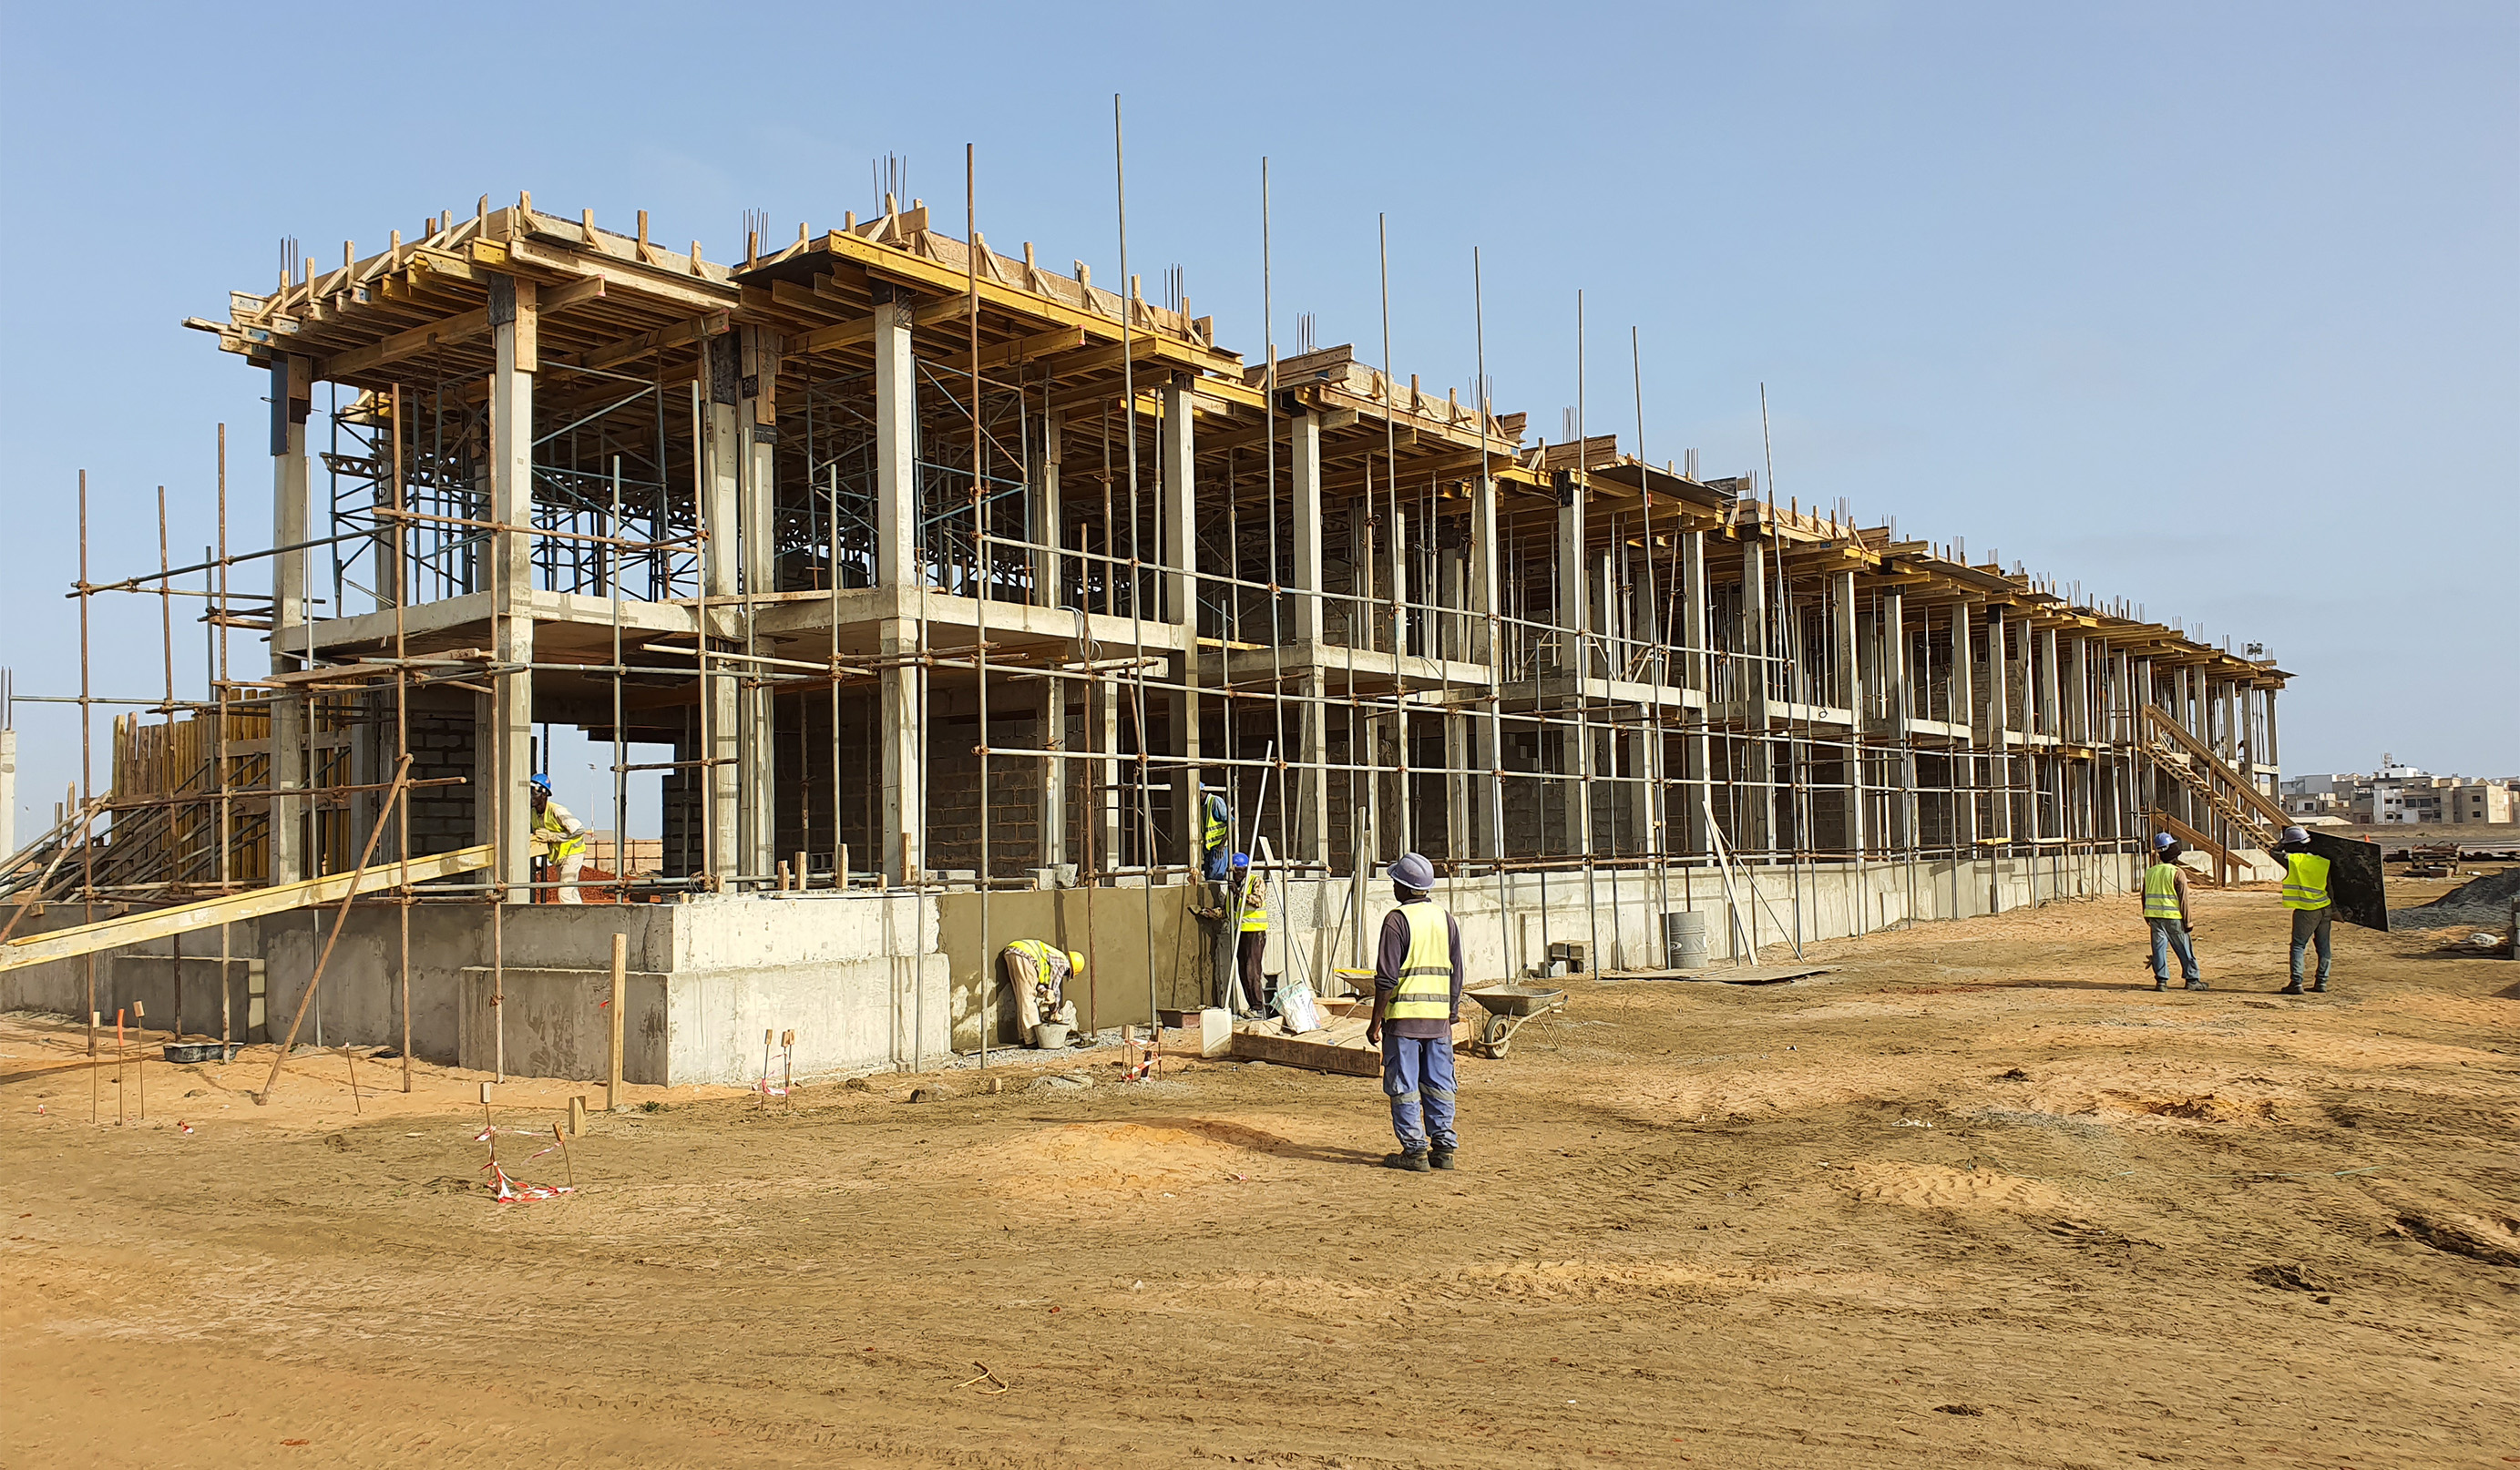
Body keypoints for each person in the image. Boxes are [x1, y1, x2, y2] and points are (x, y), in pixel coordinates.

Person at [1365, 852, 1464, 1173]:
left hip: (1404, 1020)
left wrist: (1375, 1020)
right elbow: (1456, 971)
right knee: (1439, 1082)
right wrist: (1451, 1012)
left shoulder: (1396, 920)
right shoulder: (1444, 918)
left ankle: (1415, 1151)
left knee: (1404, 1085)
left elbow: (1386, 978)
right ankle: (1443, 1148)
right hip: (1438, 1021)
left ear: (1404, 888)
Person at [2273, 826, 2333, 995]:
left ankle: (2296, 982)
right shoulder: (2322, 861)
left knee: (2299, 945)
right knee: (2323, 946)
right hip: (2324, 906)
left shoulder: (2292, 860)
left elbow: (2273, 851)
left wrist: (2282, 843)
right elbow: (2330, 886)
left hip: (2307, 909)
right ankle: (2322, 982)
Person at [2141, 832, 2203, 991]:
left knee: (2159, 949)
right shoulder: (2177, 873)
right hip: (2174, 918)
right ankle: (2192, 979)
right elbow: (2184, 900)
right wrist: (2188, 922)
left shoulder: (2150, 872)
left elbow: (2144, 896)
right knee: (2184, 949)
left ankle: (2161, 981)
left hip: (2154, 918)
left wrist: (2147, 915)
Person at [1000, 939, 1084, 1044]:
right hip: (1025, 956)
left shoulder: (1050, 960)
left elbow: (1038, 985)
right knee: (1028, 999)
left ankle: (1023, 1036)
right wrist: (1054, 1010)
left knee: (1022, 998)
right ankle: (1032, 1040)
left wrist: (1046, 993)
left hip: (1012, 952)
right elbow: (1053, 989)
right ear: (1070, 969)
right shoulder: (1063, 962)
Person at [528, 773, 589, 904]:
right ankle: (582, 918)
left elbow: (579, 830)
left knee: (565, 892)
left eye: (534, 793)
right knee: (571, 891)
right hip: (559, 856)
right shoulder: (533, 813)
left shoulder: (557, 811)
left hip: (573, 853)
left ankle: (570, 921)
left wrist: (554, 836)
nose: (531, 797)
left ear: (544, 794)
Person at [1232, 852, 1270, 1015]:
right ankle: (1252, 1005)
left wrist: (1239, 893)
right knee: (1242, 971)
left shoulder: (1256, 881)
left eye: (1240, 871)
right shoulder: (1234, 887)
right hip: (1241, 932)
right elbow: (1228, 911)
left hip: (1255, 933)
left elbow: (1257, 901)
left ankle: (1258, 1007)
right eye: (1235, 871)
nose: (1237, 874)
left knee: (1251, 970)